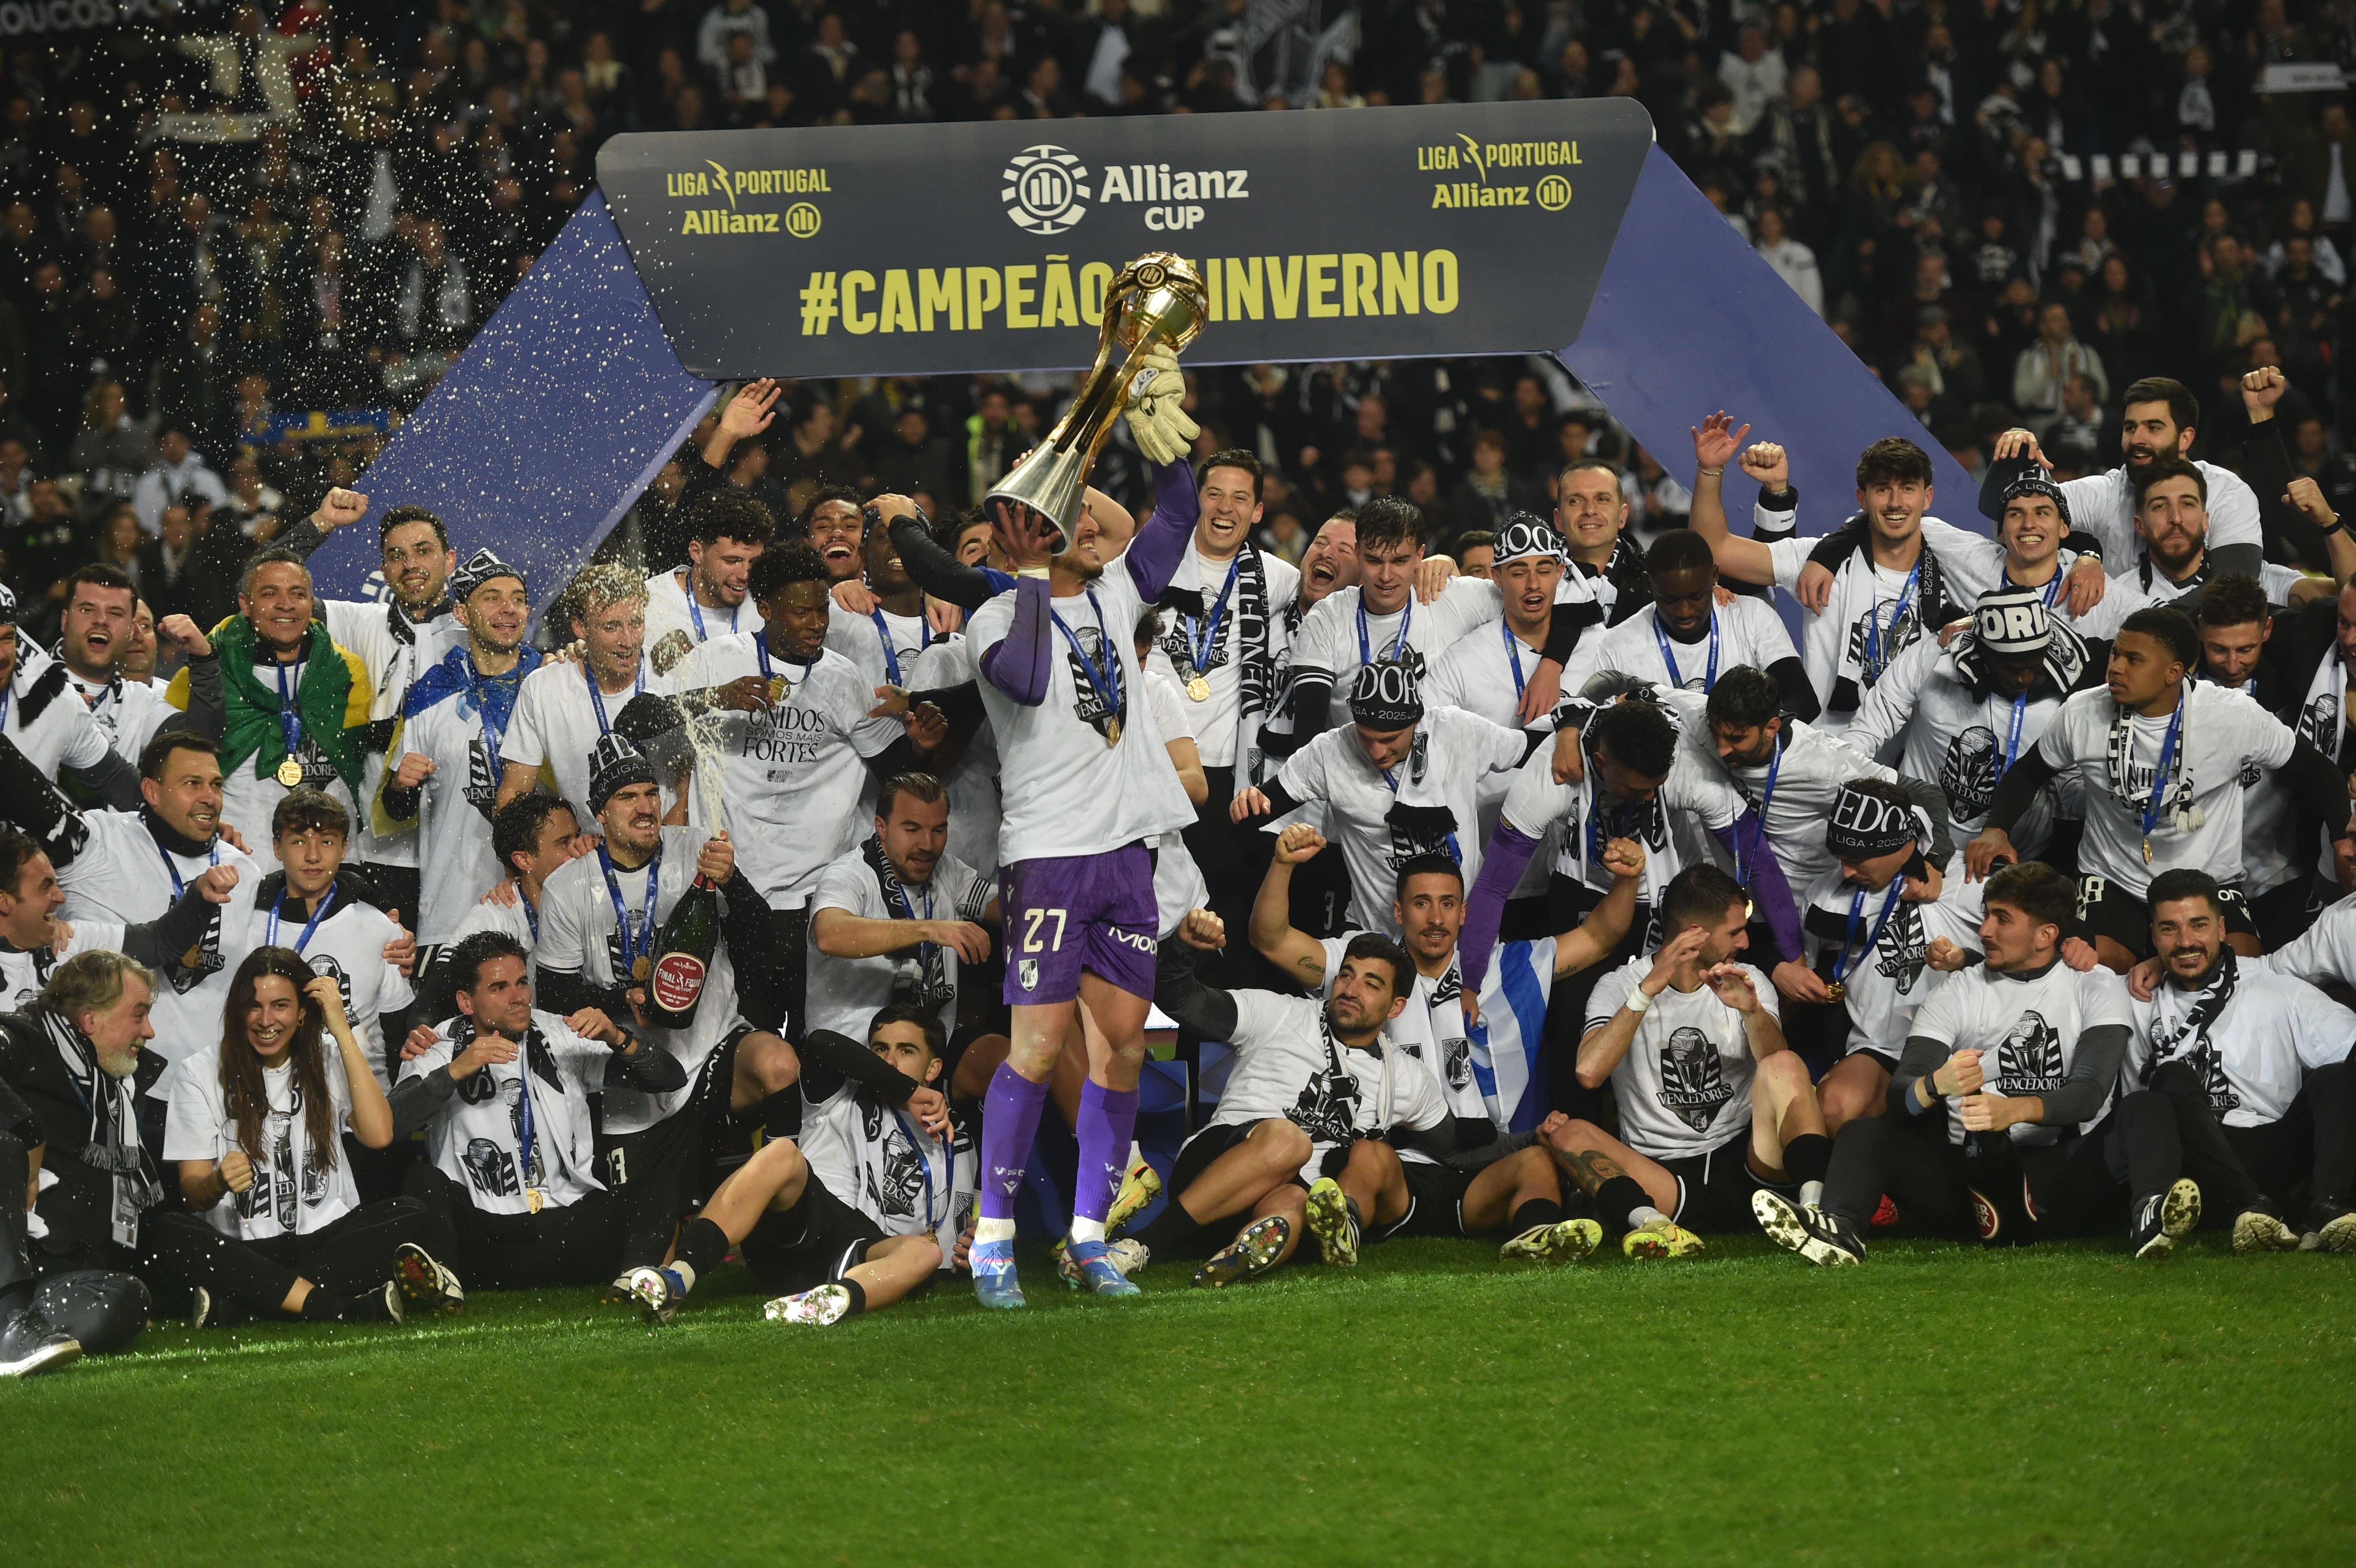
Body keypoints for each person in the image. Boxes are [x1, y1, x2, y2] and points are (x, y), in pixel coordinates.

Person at [961, 424, 1207, 1306]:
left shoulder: (1116, 598)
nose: (1092, 530)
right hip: (1051, 860)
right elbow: (1026, 680)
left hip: (1124, 861)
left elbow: (1178, 511)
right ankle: (992, 1242)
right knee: (1033, 1051)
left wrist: (1158, 440)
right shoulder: (995, 617)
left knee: (1125, 1054)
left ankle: (1089, 1240)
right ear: (1027, 536)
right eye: (1069, 517)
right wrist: (1028, 575)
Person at [1755, 862, 2133, 1264]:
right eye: (1986, 914)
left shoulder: (2095, 984)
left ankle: (2149, 1223)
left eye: (2001, 919)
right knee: (1865, 1134)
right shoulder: (1959, 989)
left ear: (2047, 934)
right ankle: (1839, 1230)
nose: (1985, 929)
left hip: (2058, 1176)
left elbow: (2089, 1093)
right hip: (1968, 1184)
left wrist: (2012, 1110)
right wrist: (1934, 1086)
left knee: (2146, 1109)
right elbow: (1903, 1095)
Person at [534, 736, 795, 1287]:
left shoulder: (696, 849)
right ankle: (679, 1255)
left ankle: (787, 1217)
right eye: (628, 796)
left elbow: (765, 941)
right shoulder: (566, 887)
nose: (646, 806)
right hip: (633, 1070)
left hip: (714, 1043)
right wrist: (620, 1000)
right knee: (643, 1257)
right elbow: (553, 992)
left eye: (651, 793)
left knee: (778, 1064)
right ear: (601, 812)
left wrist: (735, 883)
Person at [661, 540, 947, 1041]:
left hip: (814, 902)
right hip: (734, 893)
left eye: (821, 610)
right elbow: (637, 719)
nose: (816, 623)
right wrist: (716, 696)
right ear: (766, 608)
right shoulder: (717, 660)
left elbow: (893, 773)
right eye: (801, 612)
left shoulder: (844, 678)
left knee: (811, 1045)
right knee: (744, 1043)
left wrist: (920, 749)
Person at [1969, 607, 2353, 970]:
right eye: (2116, 654)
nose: (2115, 668)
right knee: (2094, 968)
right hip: (2111, 878)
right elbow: (2028, 773)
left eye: (2133, 660)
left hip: (2207, 880)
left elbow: (2318, 772)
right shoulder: (2082, 712)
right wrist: (1996, 829)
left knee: (2241, 971)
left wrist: (2341, 840)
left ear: (2173, 672)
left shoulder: (2232, 715)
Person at [1134, 923, 1462, 1281]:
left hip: (1280, 1197)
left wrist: (1525, 1142)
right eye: (1346, 976)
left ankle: (1239, 1257)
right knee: (1289, 1141)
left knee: (1291, 1205)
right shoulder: (1280, 1014)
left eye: (1371, 984)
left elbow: (1454, 1150)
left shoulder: (1406, 1076)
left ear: (1396, 1006)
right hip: (1213, 1168)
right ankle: (1146, 1244)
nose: (1351, 990)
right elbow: (1181, 1000)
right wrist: (1183, 948)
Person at [155, 947, 458, 1324]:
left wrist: (341, 1030)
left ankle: (249, 1309)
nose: (266, 1020)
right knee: (168, 1233)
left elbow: (380, 1135)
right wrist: (217, 1182)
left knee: (409, 1215)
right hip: (246, 1249)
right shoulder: (199, 1072)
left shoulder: (330, 1056)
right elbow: (193, 1193)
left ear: (302, 1012)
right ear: (237, 1011)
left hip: (327, 1241)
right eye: (254, 1006)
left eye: (281, 1006)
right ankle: (339, 1309)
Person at [1545, 864, 1832, 1258]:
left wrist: (1751, 1012)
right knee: (1567, 1135)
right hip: (1665, 1176)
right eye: (1734, 932)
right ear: (1694, 934)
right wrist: (1647, 991)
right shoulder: (1620, 986)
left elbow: (1779, 1069)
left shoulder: (1747, 978)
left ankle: (1815, 1214)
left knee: (1787, 1064)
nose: (1747, 942)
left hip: (1749, 1165)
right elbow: (1589, 1073)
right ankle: (1655, 1228)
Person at [623, 1005, 971, 1328]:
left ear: (934, 1068)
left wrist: (974, 1246)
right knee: (783, 1154)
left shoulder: (958, 1137)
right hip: (805, 1221)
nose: (890, 1062)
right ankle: (679, 1277)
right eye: (880, 1050)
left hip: (862, 1251)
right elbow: (821, 1043)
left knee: (925, 1252)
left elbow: (960, 1236)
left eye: (906, 1051)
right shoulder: (841, 1094)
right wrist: (905, 1089)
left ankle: (827, 1303)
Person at [393, 931, 681, 1289]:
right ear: (466, 1002)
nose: (518, 998)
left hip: (567, 1231)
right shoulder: (437, 1047)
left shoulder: (559, 1031)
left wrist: (619, 1038)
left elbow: (670, 1078)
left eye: (522, 982)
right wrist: (452, 1074)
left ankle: (636, 1284)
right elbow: (388, 1127)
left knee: (660, 1181)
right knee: (421, 1181)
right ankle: (443, 1286)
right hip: (484, 1239)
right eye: (498, 988)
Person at [1687, 421, 2010, 735]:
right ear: (1862, 498)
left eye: (1907, 489)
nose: (1896, 502)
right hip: (1830, 750)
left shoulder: (1955, 565)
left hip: (1915, 756)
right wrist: (1710, 470)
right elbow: (1715, 549)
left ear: (1927, 498)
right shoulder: (1817, 559)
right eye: (1883, 489)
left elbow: (2033, 577)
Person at [2118, 871, 2356, 1254]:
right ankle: (2249, 1205)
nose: (2186, 942)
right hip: (2197, 1166)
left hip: (2276, 1149)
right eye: (2169, 929)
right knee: (2170, 1076)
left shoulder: (2274, 985)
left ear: (2222, 928)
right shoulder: (2129, 996)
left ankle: (2327, 1207)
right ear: (2153, 935)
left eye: (2199, 925)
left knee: (2337, 1078)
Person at [1230, 661, 1545, 937]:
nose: (1377, 752)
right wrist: (1245, 805)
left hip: (1462, 927)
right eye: (1366, 737)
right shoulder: (1329, 752)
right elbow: (1256, 812)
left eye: (1390, 739)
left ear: (1416, 722)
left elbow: (1529, 749)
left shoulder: (1456, 730)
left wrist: (1572, 728)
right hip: (1377, 936)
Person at [271, 490, 468, 914]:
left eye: (423, 551)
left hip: (465, 854)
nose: (411, 565)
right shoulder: (356, 622)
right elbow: (264, 594)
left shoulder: (478, 635)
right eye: (397, 555)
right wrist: (319, 524)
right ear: (383, 570)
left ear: (450, 561)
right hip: (380, 855)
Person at [1280, 496, 1592, 742]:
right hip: (1359, 777)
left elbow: (1566, 602)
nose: (1387, 576)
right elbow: (1308, 729)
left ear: (1420, 556)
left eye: (1400, 561)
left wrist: (1551, 666)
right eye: (1374, 561)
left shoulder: (1452, 596)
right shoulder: (1328, 617)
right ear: (1359, 554)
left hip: (1438, 781)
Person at [57, 730, 263, 1088]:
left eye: (216, 785)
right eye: (192, 784)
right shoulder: (98, 839)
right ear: (151, 791)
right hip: (103, 1078)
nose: (209, 798)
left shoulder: (245, 870)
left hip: (207, 1085)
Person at [0, 951, 174, 1370]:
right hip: (11, 1262)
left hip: (57, 1274)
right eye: (139, 1015)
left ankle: (23, 1321)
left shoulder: (117, 1099)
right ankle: (9, 1320)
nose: (150, 1031)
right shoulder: (25, 1039)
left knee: (125, 1298)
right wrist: (27, 1130)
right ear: (90, 1020)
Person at [246, 789, 417, 1196]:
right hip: (276, 1115)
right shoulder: (248, 927)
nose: (312, 856)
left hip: (361, 1117)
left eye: (325, 842)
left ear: (344, 848)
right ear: (277, 847)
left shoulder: (379, 927)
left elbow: (399, 1034)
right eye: (298, 841)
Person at [1799, 780, 1994, 1132]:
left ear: (1903, 845)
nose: (1846, 871)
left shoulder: (1970, 879)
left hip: (1970, 1043)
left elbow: (2033, 943)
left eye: (1857, 859)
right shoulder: (1827, 899)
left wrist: (1965, 958)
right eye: (1840, 859)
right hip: (1885, 1048)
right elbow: (1804, 965)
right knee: (1834, 1109)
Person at [1846, 587, 2094, 859]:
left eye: (2034, 668)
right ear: (1985, 654)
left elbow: (2069, 793)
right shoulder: (1933, 656)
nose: (2024, 679)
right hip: (1915, 840)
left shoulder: (2068, 694)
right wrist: (1842, 773)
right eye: (2013, 669)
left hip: (2013, 860)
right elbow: (1870, 725)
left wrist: (2111, 799)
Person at [164, 547, 371, 871]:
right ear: (246, 605)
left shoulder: (346, 671)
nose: (285, 605)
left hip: (330, 870)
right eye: (269, 593)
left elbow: (356, 765)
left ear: (312, 602)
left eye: (297, 594)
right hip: (236, 864)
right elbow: (175, 772)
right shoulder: (206, 671)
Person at [378, 550, 543, 948]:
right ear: (462, 614)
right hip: (450, 908)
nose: (509, 609)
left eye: (518, 599)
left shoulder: (550, 685)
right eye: (492, 598)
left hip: (540, 906)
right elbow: (395, 811)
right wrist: (401, 786)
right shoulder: (432, 694)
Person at [1984, 377, 2266, 586]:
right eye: (2131, 427)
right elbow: (2000, 507)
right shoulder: (2108, 491)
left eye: (2153, 428)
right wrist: (2012, 453)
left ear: (2186, 438)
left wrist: (2145, 623)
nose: (2137, 439)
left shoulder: (2227, 492)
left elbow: (2235, 587)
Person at [807, 771, 996, 1051]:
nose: (928, 845)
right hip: (857, 1057)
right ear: (881, 827)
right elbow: (829, 934)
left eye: (938, 830)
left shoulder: (949, 871)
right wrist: (932, 929)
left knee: (1002, 1059)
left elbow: (1009, 910)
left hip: (930, 1050)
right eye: (912, 830)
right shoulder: (849, 876)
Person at [497, 564, 670, 823]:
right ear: (580, 627)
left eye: (635, 623)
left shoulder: (669, 675)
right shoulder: (543, 688)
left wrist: (662, 852)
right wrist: (561, 844)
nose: (628, 640)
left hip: (669, 852)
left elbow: (689, 787)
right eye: (611, 627)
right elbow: (513, 795)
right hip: (588, 855)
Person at [1574, 527, 1811, 712]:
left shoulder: (1753, 617)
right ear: (1648, 584)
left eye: (1697, 596)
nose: (1685, 612)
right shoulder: (1617, 645)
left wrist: (1747, 734)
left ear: (1715, 576)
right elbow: (1593, 720)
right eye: (1670, 600)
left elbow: (1802, 700)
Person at [0, 583, 142, 806]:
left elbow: (116, 780)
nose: (1, 656)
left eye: (7, 639)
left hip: (30, 840)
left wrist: (179, 820)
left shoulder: (54, 701)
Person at [645, 471, 772, 676]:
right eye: (733, 561)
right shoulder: (649, 602)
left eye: (754, 562)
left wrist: (842, 589)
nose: (746, 574)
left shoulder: (772, 602)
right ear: (697, 553)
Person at [50, 564, 171, 766]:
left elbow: (203, 741)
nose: (101, 620)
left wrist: (205, 660)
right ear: (65, 620)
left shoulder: (140, 700)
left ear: (129, 631)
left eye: (115, 613)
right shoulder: (27, 681)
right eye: (88, 610)